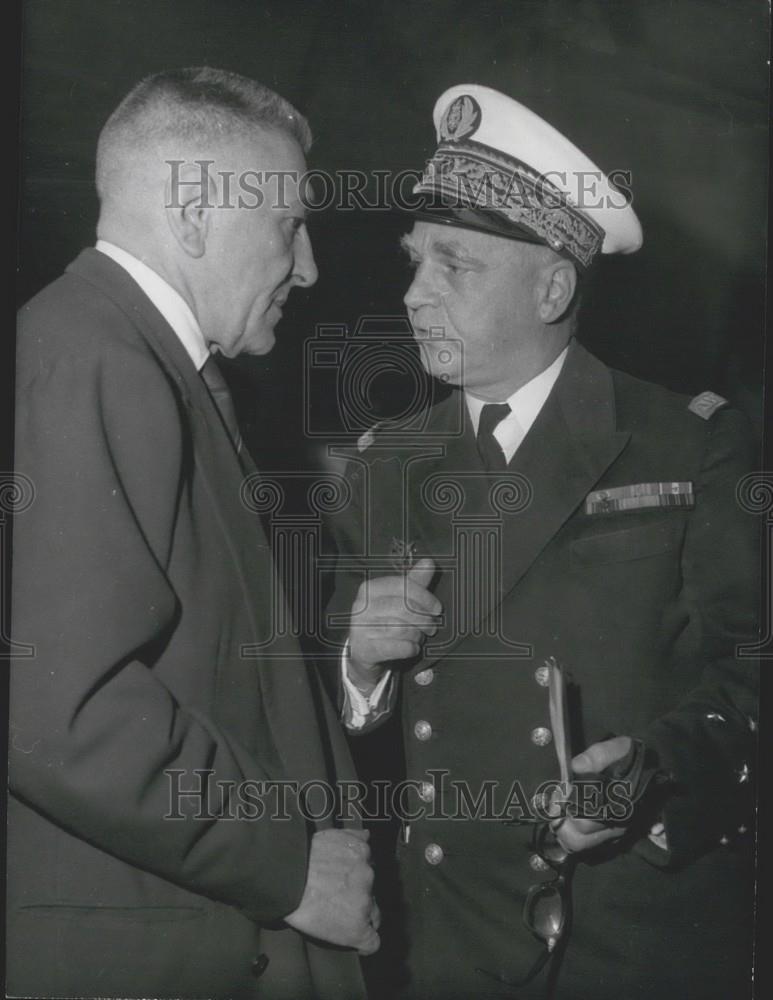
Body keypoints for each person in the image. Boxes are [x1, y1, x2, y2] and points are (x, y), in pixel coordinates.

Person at [327, 84, 759, 999]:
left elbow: (752, 667)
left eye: (454, 266)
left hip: (632, 932)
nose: (412, 296)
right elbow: (328, 732)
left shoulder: (690, 441)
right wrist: (358, 669)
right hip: (443, 937)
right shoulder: (383, 465)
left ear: (553, 285)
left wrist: (654, 770)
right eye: (414, 263)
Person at [8, 67, 378, 1000]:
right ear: (194, 210)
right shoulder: (90, 358)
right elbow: (60, 712)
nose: (308, 268)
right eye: (289, 224)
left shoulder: (143, 361)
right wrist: (287, 864)